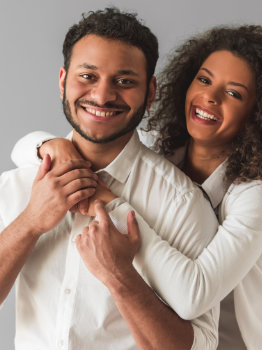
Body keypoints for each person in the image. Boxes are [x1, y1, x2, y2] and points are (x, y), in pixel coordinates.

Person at [12, 25, 262, 349]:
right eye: (204, 80)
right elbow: (31, 147)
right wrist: (49, 146)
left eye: (234, 93)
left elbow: (194, 294)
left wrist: (111, 203)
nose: (210, 96)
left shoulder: (261, 191)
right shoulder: (160, 148)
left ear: (260, 113)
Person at [0, 8, 221, 350]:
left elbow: (203, 346)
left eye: (124, 81)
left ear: (150, 92)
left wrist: (119, 276)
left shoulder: (183, 204)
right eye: (88, 76)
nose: (102, 96)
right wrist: (29, 223)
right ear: (62, 81)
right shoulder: (16, 185)